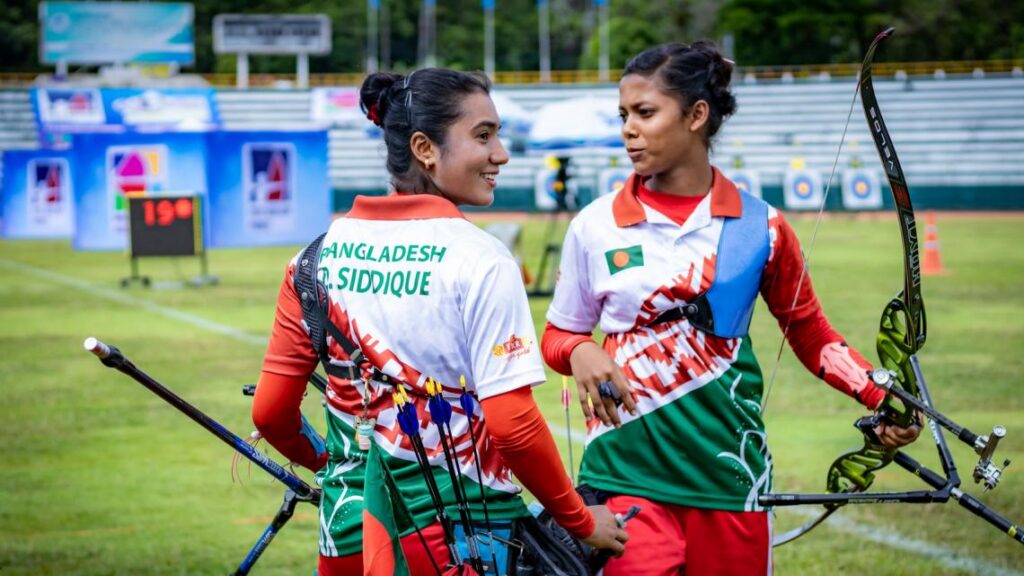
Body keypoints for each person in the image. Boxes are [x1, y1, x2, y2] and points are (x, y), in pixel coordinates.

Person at [541, 42, 922, 575]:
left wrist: (883, 395)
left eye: (645, 113)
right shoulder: (595, 224)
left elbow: (812, 335)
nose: (628, 128)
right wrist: (580, 349)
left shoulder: (762, 227)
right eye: (624, 115)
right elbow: (558, 335)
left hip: (729, 476)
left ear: (697, 115)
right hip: (624, 476)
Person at [252, 68, 627, 575]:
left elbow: (271, 414)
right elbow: (513, 426)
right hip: (463, 542)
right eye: (483, 135)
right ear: (425, 148)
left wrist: (339, 470)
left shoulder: (314, 259)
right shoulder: (481, 258)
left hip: (349, 538)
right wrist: (580, 521)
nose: (501, 154)